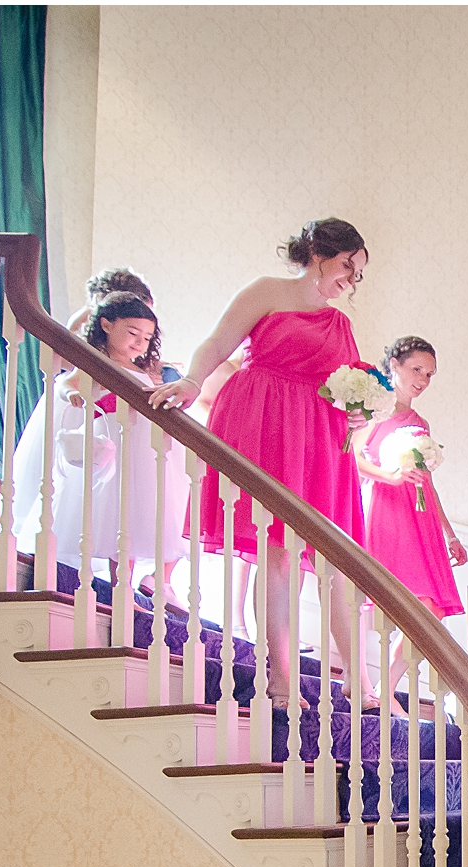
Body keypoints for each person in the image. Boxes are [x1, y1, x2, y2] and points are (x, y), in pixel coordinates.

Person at [146, 219, 371, 704]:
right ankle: (281, 677)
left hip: (318, 439)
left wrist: (356, 417)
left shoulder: (341, 325)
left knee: (324, 556)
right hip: (266, 420)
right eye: (347, 266)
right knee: (277, 554)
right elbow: (218, 342)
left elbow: (346, 387)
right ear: (318, 252)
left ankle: (352, 679)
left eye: (356, 275)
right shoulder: (267, 291)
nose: (349, 281)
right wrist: (190, 381)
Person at [11, 292, 187, 606]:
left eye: (146, 337)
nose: (139, 342)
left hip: (136, 452)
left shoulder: (146, 371)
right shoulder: (95, 363)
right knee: (102, 513)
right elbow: (67, 383)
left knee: (131, 519)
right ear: (106, 324)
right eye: (132, 333)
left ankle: (124, 587)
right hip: (107, 449)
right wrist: (71, 396)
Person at [357, 336, 465, 711]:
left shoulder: (420, 422)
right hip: (383, 509)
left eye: (430, 374)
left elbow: (428, 483)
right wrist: (388, 476)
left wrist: (449, 534)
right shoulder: (375, 409)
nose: (423, 379)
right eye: (417, 369)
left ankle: (387, 685)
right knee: (374, 599)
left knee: (429, 608)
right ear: (395, 366)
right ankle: (360, 683)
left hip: (418, 518)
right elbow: (351, 458)